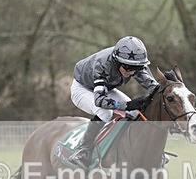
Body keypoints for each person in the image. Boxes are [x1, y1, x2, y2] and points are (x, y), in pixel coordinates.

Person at [68, 36, 160, 168]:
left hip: (107, 87)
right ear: (117, 62)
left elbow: (154, 87)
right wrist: (126, 105)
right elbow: (99, 100)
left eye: (136, 68)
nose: (132, 72)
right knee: (104, 113)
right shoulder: (102, 65)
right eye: (128, 68)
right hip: (83, 88)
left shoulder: (134, 63)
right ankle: (83, 150)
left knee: (135, 113)